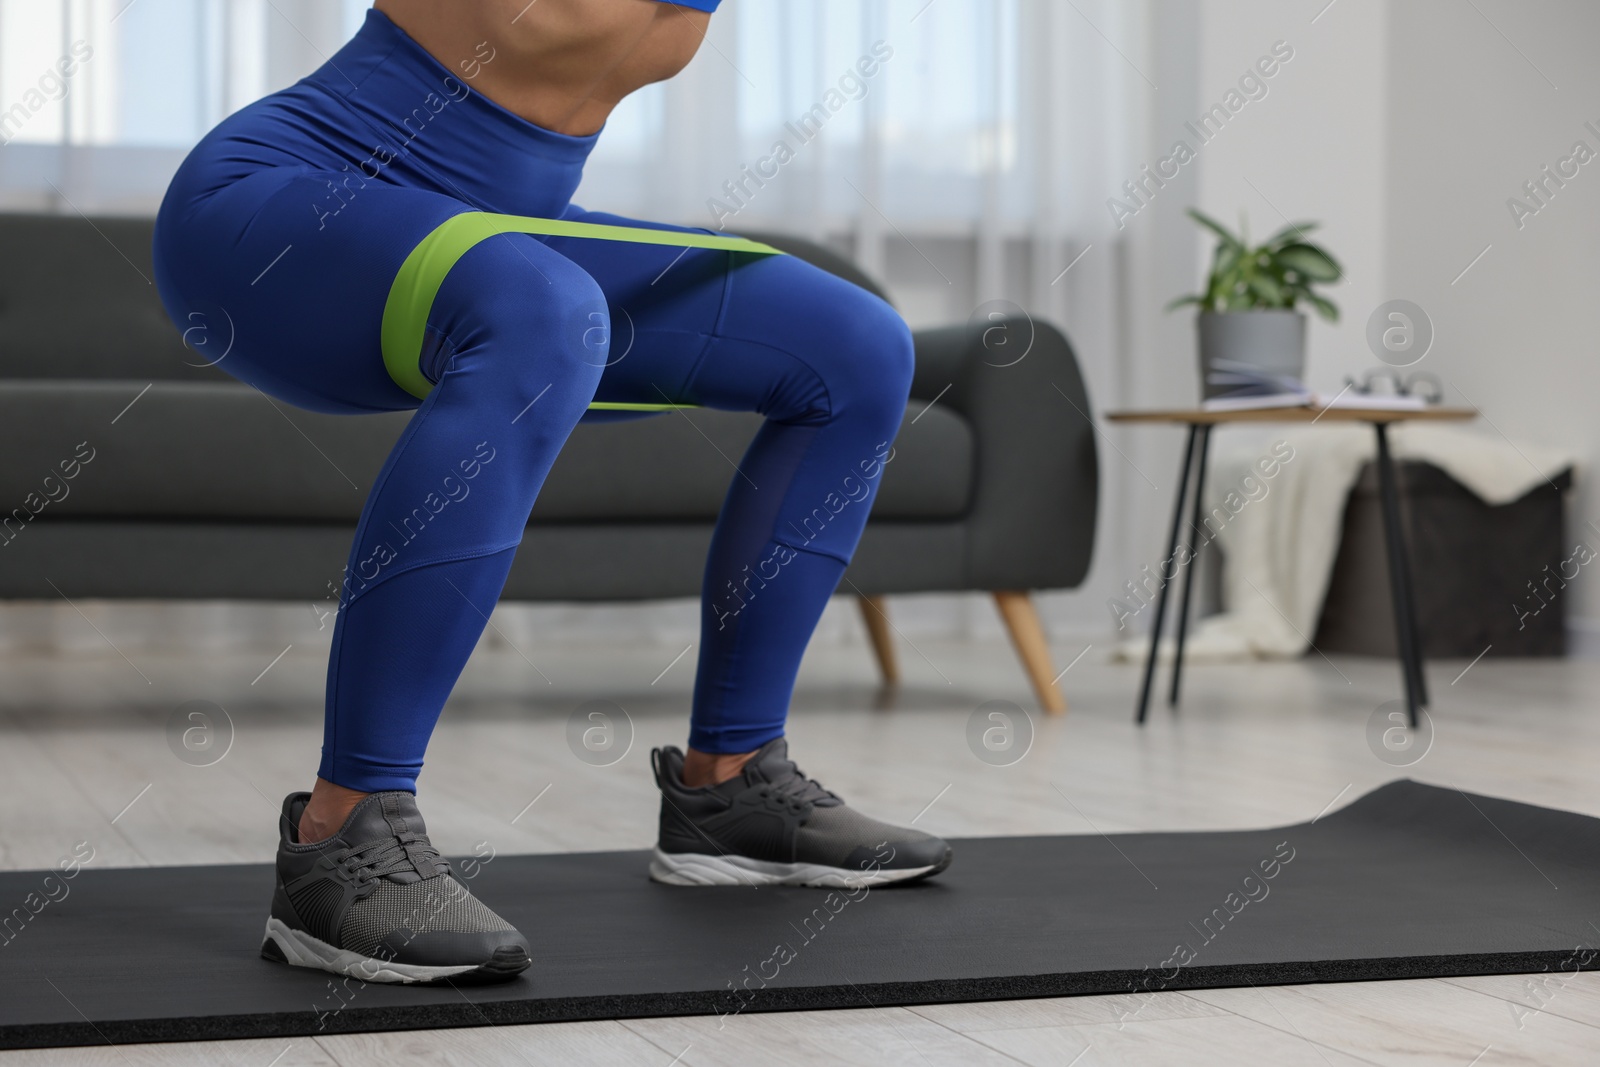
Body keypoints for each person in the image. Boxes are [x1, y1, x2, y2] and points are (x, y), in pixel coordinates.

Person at [153, 0, 952, 985]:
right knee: (544, 311)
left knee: (858, 346)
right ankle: (341, 834)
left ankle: (732, 786)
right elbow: (544, 24)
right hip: (276, 208)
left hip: (490, 225)